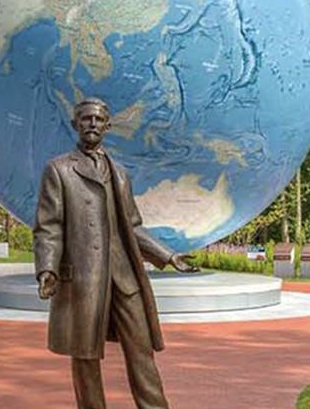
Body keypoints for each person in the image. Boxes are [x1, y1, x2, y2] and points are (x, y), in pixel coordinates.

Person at [36, 99, 199, 409]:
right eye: (85, 119)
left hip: (125, 278)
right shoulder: (58, 170)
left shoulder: (120, 173)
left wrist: (168, 256)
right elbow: (49, 226)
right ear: (75, 124)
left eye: (98, 119)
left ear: (107, 126)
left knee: (141, 351)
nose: (92, 124)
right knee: (85, 355)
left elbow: (133, 227)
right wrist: (47, 269)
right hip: (84, 278)